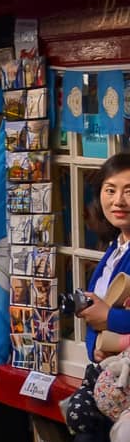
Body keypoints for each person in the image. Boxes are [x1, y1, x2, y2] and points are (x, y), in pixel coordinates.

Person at [82, 154, 130, 362]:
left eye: (129, 192)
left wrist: (109, 318)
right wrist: (95, 348)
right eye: (110, 190)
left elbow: (102, 315)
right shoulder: (116, 246)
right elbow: (94, 316)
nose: (118, 201)